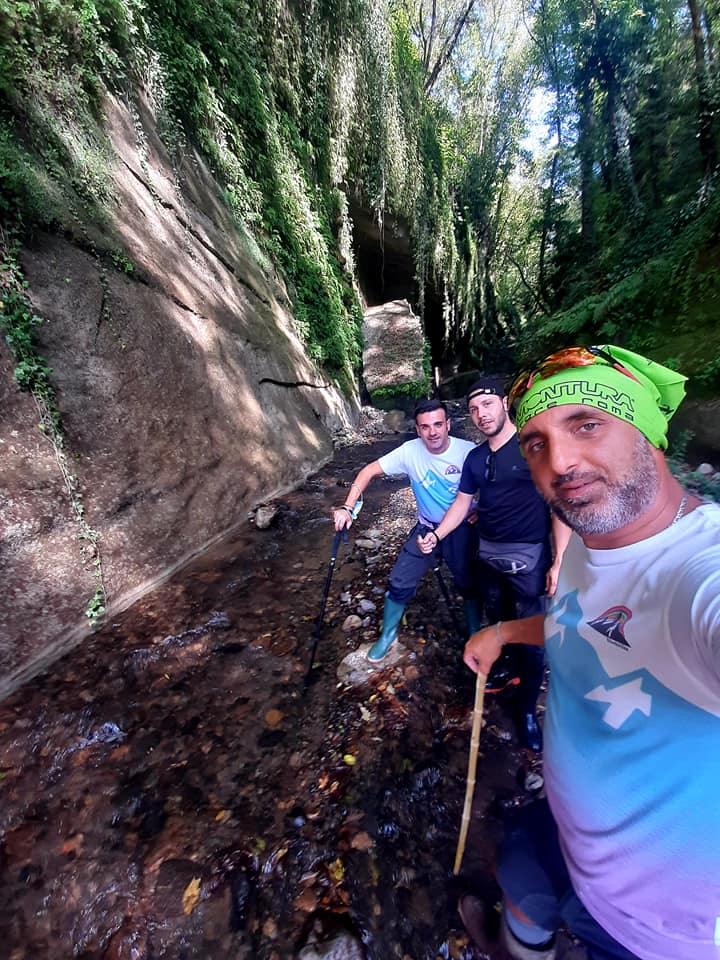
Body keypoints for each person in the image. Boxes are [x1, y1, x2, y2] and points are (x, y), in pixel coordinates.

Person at [460, 345, 720, 960]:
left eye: (587, 424)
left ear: (648, 432)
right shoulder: (589, 535)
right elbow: (585, 625)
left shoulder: (696, 574)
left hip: (656, 928)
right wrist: (505, 633)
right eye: (537, 443)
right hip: (563, 829)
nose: (561, 462)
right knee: (519, 874)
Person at [418, 377, 570, 752]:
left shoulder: (534, 448)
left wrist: (560, 560)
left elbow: (558, 505)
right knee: (499, 621)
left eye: (487, 405)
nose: (481, 414)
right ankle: (508, 672)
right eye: (473, 410)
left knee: (532, 635)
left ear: (504, 403)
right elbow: (461, 504)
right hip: (488, 556)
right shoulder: (475, 459)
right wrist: (437, 535)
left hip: (529, 559)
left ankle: (527, 712)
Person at [333, 398, 478, 662]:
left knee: (469, 583)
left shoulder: (468, 451)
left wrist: (483, 508)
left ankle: (475, 632)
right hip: (426, 527)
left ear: (448, 424)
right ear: (418, 429)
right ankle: (388, 635)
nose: (432, 432)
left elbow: (493, 483)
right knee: (399, 582)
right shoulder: (409, 452)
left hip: (462, 528)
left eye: (438, 424)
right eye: (425, 427)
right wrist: (347, 507)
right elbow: (368, 471)